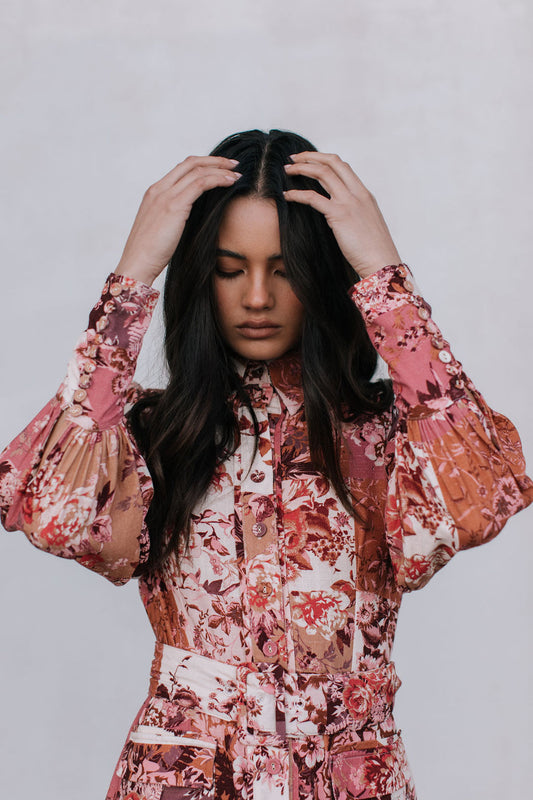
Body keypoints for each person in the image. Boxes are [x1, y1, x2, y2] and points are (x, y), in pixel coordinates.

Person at [1, 128, 532, 800]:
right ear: (201, 279)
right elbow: (57, 517)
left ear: (320, 277)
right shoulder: (151, 433)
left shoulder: (385, 436)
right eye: (228, 269)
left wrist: (383, 274)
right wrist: (131, 280)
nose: (256, 297)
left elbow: (479, 499)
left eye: (284, 270)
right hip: (185, 778)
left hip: (350, 779)